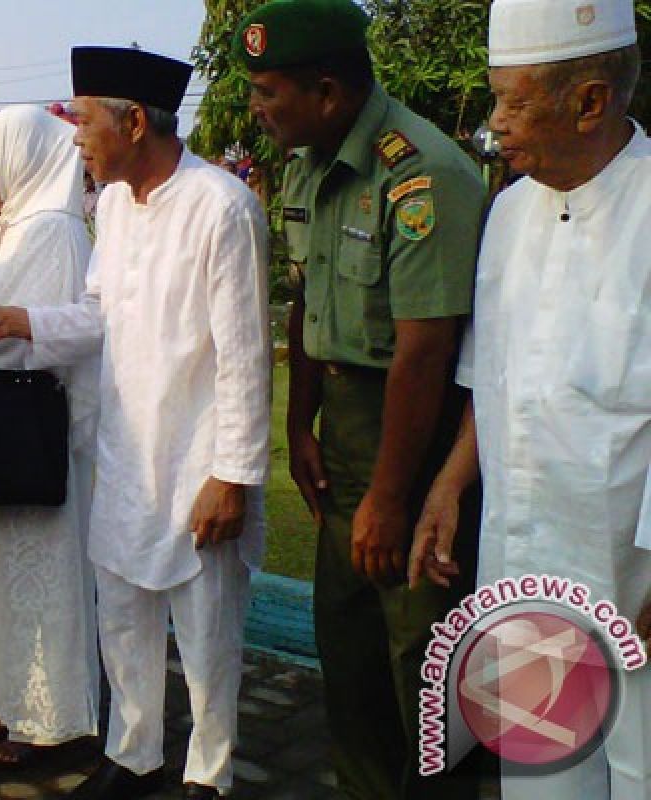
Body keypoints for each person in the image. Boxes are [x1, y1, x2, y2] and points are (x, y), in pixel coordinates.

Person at [0, 49, 272, 799]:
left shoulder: (222, 205)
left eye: (83, 120)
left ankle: (211, 773)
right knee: (124, 615)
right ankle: (134, 754)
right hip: (126, 451)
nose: (74, 138)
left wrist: (233, 476)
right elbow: (97, 316)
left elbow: (248, 356)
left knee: (205, 632)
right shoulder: (116, 205)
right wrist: (14, 319)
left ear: (134, 121)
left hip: (198, 457)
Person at [236, 2, 487, 797]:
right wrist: (297, 424)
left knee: (423, 657)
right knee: (345, 649)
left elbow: (426, 350)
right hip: (342, 432)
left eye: (270, 91)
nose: (257, 108)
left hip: (409, 438)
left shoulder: (423, 174)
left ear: (329, 88)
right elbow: (310, 305)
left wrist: (387, 494)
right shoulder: (310, 161)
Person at [408, 0, 651, 797]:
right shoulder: (509, 212)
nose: (493, 122)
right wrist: (451, 483)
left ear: (589, 101)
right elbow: (496, 375)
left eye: (513, 99)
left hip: (630, 575)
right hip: (529, 570)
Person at [0, 104, 101, 768]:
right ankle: (5, 698)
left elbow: (50, 335)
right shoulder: (9, 228)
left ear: (24, 161)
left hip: (31, 428)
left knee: (42, 572)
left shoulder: (55, 230)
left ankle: (49, 719)